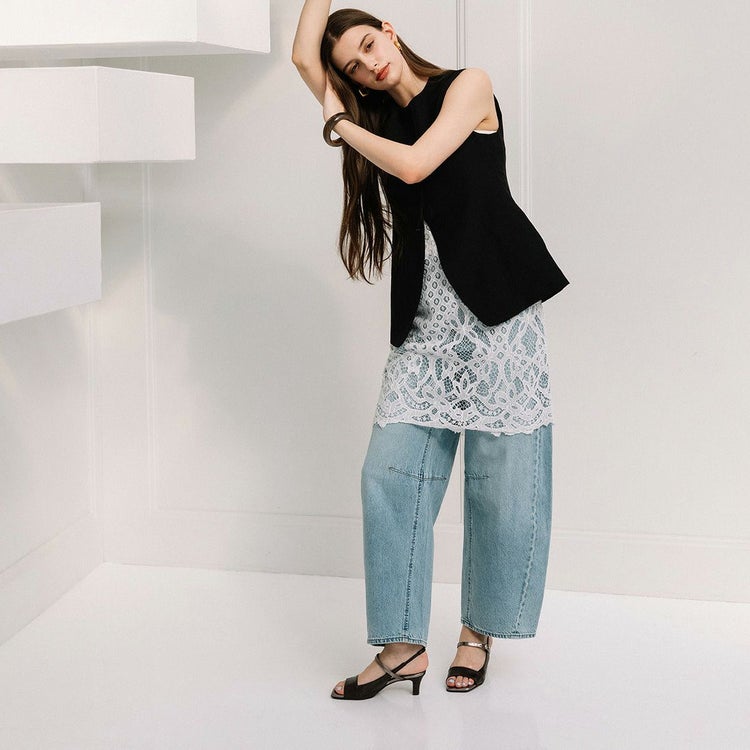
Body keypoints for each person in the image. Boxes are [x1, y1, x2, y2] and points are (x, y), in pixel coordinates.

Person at [292, 2, 570, 700]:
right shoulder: (375, 121)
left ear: (388, 30)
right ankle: (402, 647)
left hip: (498, 306)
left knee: (502, 478)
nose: (368, 66)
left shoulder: (468, 86)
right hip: (427, 322)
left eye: (368, 45)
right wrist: (345, 109)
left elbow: (417, 167)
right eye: (353, 68)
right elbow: (301, 56)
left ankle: (478, 632)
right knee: (389, 472)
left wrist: (340, 123)